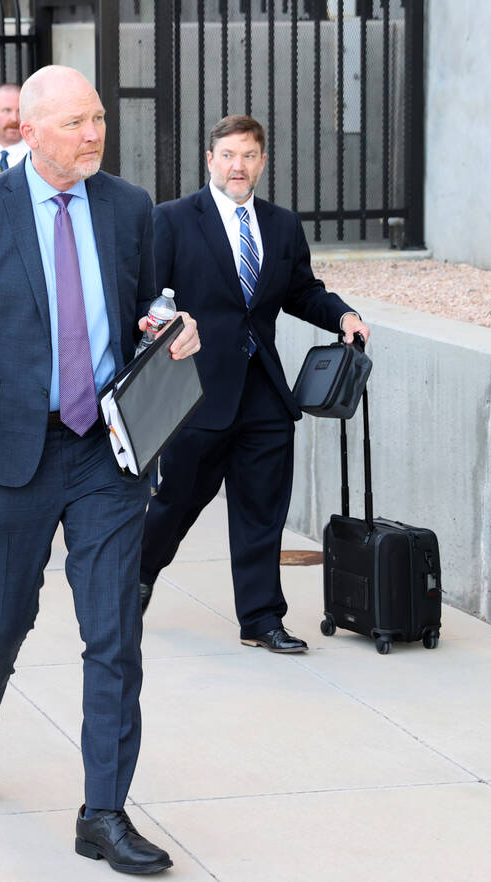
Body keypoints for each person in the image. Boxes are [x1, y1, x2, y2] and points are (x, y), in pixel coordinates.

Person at [0, 65, 201, 876]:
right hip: (8, 454)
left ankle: (102, 811)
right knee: (1, 621)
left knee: (114, 633)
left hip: (104, 452)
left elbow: (146, 305)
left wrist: (172, 329)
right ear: (29, 132)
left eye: (99, 117)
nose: (95, 133)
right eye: (75, 122)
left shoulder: (129, 207)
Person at [138, 114, 370, 652]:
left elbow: (302, 291)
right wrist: (156, 321)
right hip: (195, 390)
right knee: (176, 502)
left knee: (263, 509)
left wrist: (342, 315)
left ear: (262, 162)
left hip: (263, 388)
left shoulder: (282, 225)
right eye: (228, 155)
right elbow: (149, 294)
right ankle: (139, 573)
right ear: (210, 160)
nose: (237, 166)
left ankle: (262, 620)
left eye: (248, 156)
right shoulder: (172, 219)